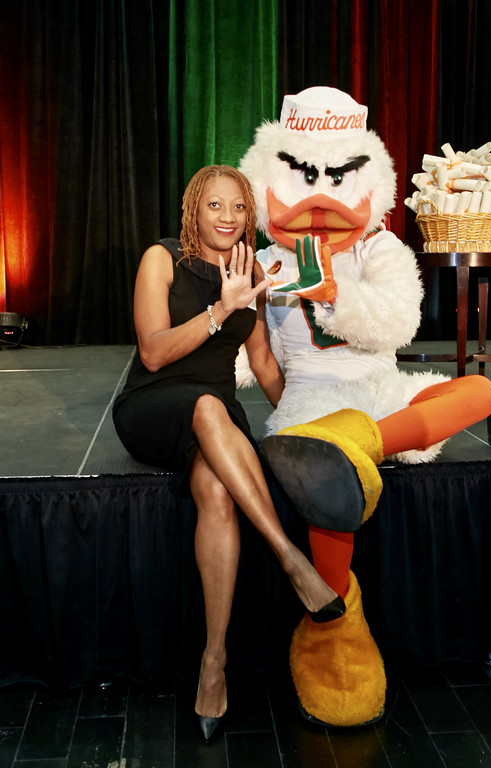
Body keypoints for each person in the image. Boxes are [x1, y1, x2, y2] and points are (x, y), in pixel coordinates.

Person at [112, 165, 345, 742]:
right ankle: (290, 558)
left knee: (217, 491)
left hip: (213, 415)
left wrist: (306, 421)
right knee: (210, 409)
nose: (227, 218)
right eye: (215, 206)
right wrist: (221, 307)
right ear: (194, 208)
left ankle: (213, 662)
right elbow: (154, 352)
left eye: (238, 208)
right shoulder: (161, 258)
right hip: (156, 407)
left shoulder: (252, 271)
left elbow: (263, 362)